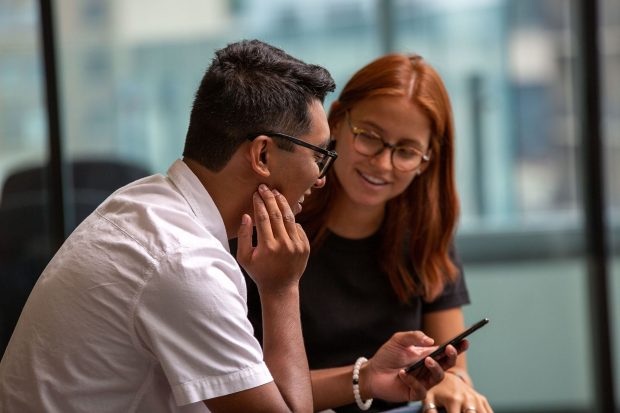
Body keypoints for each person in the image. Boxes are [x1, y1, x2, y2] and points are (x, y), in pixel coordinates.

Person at [0, 40, 458, 413]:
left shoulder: (144, 203)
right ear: (261, 155)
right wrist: (281, 291)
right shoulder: (185, 264)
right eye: (320, 156)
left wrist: (366, 378)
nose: (321, 178)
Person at [246, 54, 493, 413]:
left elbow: (450, 370)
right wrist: (364, 378)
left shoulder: (425, 234)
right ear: (337, 122)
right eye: (369, 137)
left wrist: (453, 386)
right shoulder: (272, 222)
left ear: (428, 159)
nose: (382, 164)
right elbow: (246, 391)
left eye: (406, 151)